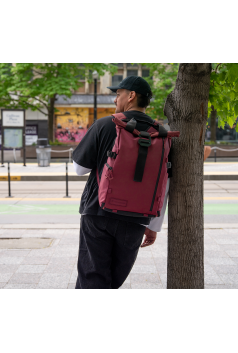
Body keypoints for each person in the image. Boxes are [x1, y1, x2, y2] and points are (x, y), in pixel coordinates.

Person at [72, 76, 168, 289]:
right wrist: (153, 226)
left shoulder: (106, 124)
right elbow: (163, 183)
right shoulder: (160, 134)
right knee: (114, 281)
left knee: (92, 277)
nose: (115, 99)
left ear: (131, 96)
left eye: (118, 94)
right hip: (137, 219)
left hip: (98, 212)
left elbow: (79, 169)